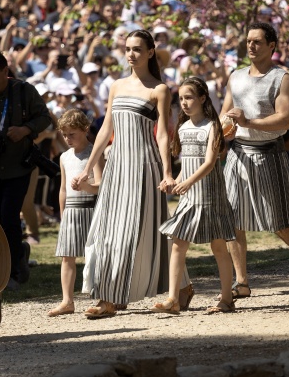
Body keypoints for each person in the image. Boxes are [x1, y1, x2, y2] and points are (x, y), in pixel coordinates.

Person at [75, 29, 175, 319]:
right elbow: (106, 130)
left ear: (150, 52)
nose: (131, 54)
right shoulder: (116, 86)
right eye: (128, 49)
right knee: (109, 231)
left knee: (145, 232)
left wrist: (167, 172)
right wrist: (86, 169)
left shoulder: (160, 89)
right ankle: (113, 296)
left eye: (137, 49)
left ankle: (116, 297)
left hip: (145, 166)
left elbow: (163, 135)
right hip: (117, 165)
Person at [221, 22, 289, 299]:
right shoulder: (235, 77)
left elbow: (284, 118)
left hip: (269, 152)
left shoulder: (282, 78)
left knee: (277, 220)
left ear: (271, 46)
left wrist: (249, 121)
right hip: (237, 153)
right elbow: (225, 112)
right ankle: (242, 281)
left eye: (257, 42)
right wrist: (215, 131)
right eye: (248, 41)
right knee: (232, 219)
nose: (250, 46)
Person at [152, 77, 236, 315]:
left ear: (202, 98)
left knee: (218, 246)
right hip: (190, 197)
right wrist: (173, 181)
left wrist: (187, 182)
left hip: (210, 196)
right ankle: (172, 299)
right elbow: (186, 166)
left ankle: (227, 299)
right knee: (178, 244)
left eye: (189, 97)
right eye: (181, 98)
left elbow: (210, 162)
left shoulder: (213, 126)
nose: (184, 103)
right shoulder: (182, 127)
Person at [0, 51, 52, 288]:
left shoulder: (24, 92)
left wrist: (25, 130)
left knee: (9, 217)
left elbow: (45, 118)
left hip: (18, 167)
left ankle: (15, 269)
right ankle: (6, 261)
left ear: (6, 71)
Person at [48, 109, 103, 317]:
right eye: (64, 134)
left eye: (72, 134)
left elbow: (100, 185)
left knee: (95, 255)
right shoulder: (64, 157)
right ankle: (67, 300)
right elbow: (63, 189)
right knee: (67, 256)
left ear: (85, 130)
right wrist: (62, 215)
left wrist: (86, 187)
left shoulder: (94, 154)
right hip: (71, 210)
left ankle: (102, 297)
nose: (67, 139)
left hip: (91, 209)